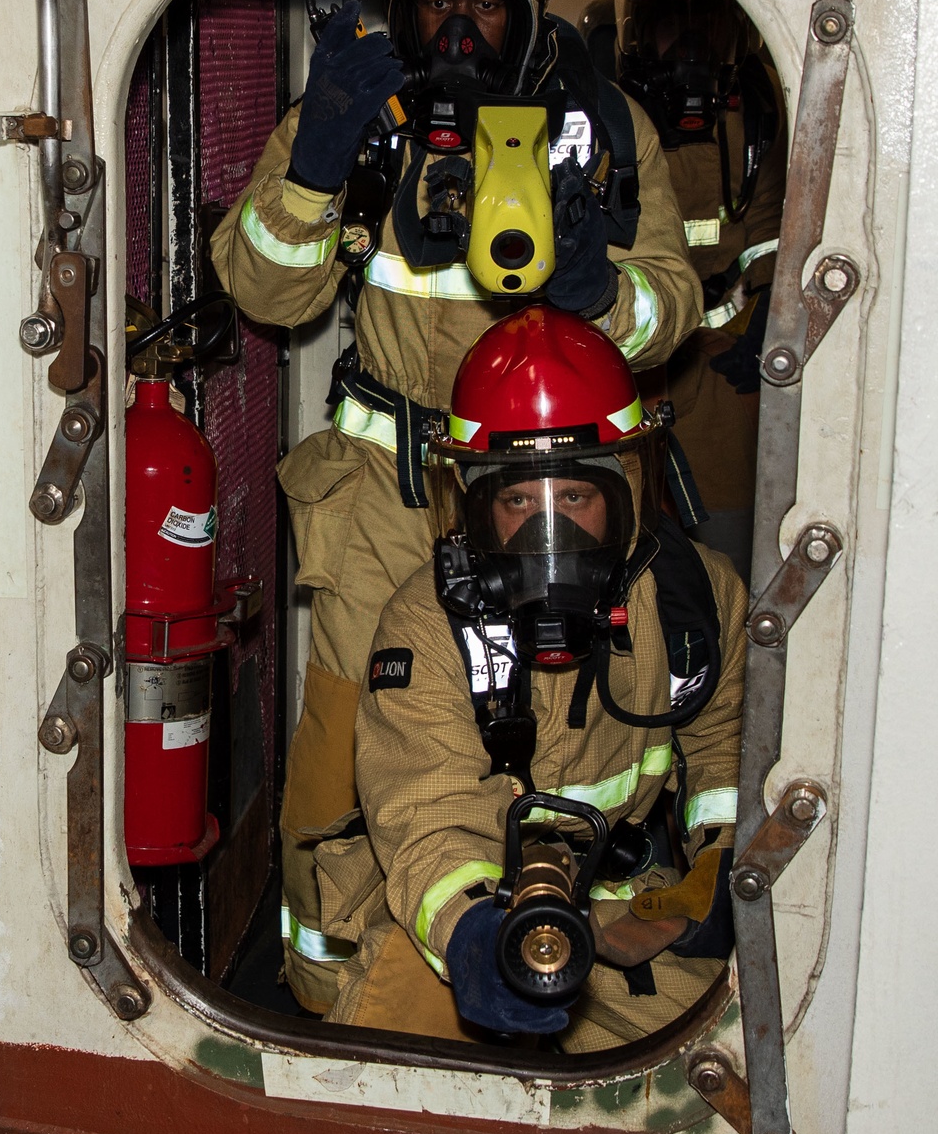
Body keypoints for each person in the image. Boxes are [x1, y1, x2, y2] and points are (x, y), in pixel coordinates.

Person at [210, 0, 703, 1012]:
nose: (460, 33)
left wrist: (596, 289)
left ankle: (536, 950)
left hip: (553, 493)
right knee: (343, 760)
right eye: (438, 7)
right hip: (387, 502)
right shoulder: (359, 112)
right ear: (403, 7)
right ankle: (328, 987)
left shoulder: (604, 128)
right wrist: (313, 163)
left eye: (484, 8)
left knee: (558, 726)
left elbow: (674, 303)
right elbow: (263, 289)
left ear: (526, 13)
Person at [317, 306, 745, 1047]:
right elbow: (425, 810)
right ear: (476, 503)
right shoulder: (429, 622)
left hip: (622, 908)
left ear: (625, 492)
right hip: (456, 904)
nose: (551, 535)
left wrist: (723, 878)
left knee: (728, 1067)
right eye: (518, 500)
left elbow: (727, 748)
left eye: (575, 498)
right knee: (393, 1088)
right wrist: (474, 935)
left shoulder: (693, 602)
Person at [605, 0, 787, 580]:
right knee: (617, 541)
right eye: (667, 27)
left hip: (718, 362)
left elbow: (770, 235)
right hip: (621, 356)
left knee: (727, 553)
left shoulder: (755, 125)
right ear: (635, 35)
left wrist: (768, 316)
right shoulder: (607, 120)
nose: (687, 50)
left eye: (705, 29)